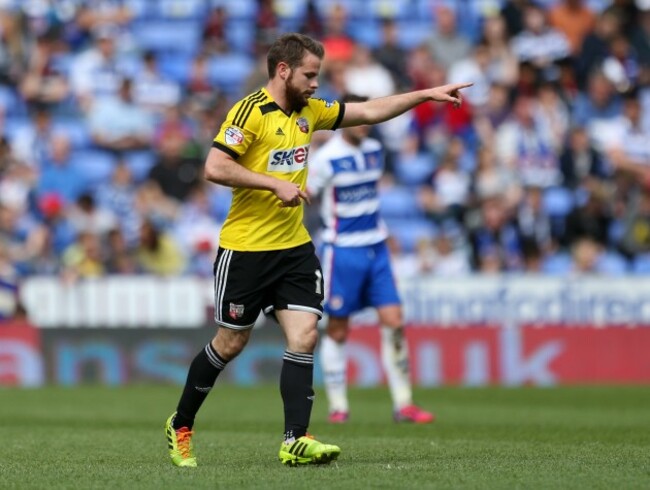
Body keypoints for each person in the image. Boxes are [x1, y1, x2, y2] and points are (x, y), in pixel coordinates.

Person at [164, 33, 471, 468]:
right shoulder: (249, 112)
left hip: (293, 248)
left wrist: (425, 95)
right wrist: (274, 183)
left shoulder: (310, 110)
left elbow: (367, 111)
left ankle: (295, 438)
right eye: (309, 75)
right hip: (246, 249)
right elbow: (215, 166)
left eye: (318, 76)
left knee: (305, 335)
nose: (315, 84)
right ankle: (180, 425)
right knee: (231, 343)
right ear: (283, 70)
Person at [308, 94, 435, 425]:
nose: (365, 123)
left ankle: (404, 403)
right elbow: (304, 195)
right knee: (338, 329)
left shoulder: (375, 152)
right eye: (359, 117)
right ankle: (338, 407)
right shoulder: (325, 159)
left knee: (394, 320)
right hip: (342, 250)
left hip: (376, 248)